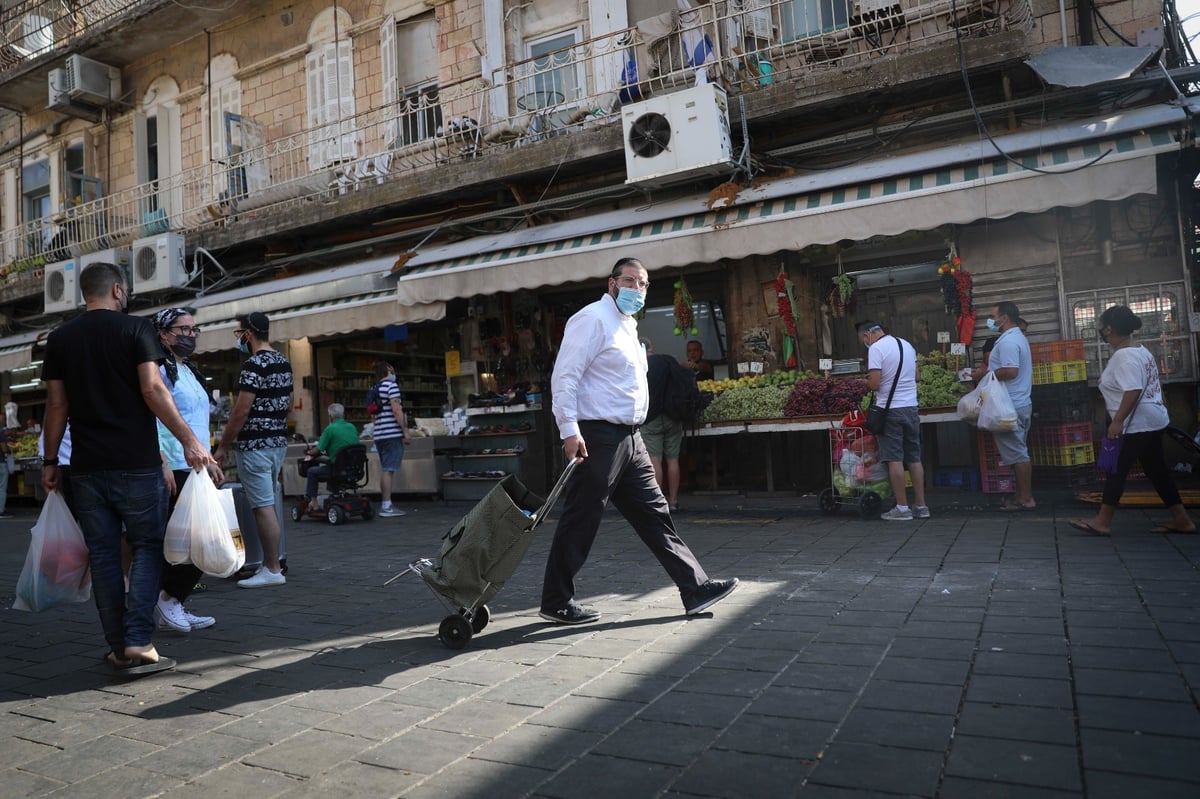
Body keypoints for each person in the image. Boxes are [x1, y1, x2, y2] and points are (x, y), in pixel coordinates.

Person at [540, 257, 738, 625]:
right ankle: (556, 600)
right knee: (582, 517)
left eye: (643, 284)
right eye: (629, 281)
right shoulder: (591, 320)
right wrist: (569, 429)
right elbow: (565, 377)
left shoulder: (627, 326)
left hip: (632, 438)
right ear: (611, 283)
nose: (636, 289)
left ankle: (694, 588)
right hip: (597, 435)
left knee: (655, 513)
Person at [40, 262, 216, 675]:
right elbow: (153, 389)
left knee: (103, 557)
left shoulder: (60, 339)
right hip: (136, 465)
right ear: (118, 290)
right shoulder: (137, 330)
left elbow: (56, 405)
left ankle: (119, 647)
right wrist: (191, 441)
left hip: (84, 467)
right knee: (147, 548)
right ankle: (138, 640)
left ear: (85, 293)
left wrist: (49, 462)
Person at [1070, 305, 1195, 536]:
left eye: (1101, 326)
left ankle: (1102, 521)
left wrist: (1117, 421)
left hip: (1136, 423)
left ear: (1108, 329)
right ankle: (1182, 519)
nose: (1100, 330)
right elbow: (1153, 385)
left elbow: (1133, 390)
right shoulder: (1140, 350)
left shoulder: (1124, 356)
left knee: (1117, 470)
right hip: (1152, 419)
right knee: (1157, 470)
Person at [152, 308, 218, 633]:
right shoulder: (159, 371)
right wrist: (161, 459)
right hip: (175, 466)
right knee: (184, 541)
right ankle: (167, 600)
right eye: (183, 329)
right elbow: (152, 418)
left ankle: (174, 601)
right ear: (164, 334)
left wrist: (211, 459)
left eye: (194, 329)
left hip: (197, 466)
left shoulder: (188, 370)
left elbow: (198, 423)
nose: (190, 335)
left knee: (198, 540)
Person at [215, 312, 293, 588]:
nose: (239, 339)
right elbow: (288, 402)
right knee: (268, 502)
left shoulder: (253, 365)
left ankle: (272, 568)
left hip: (255, 445)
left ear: (248, 334)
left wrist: (223, 445)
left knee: (262, 506)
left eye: (239, 334)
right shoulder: (283, 362)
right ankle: (272, 563)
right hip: (276, 443)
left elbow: (241, 410)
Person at [858, 321, 929, 521]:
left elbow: (874, 384)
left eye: (864, 339)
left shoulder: (876, 349)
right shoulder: (907, 345)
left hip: (891, 411)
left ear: (868, 335)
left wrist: (864, 381)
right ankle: (921, 506)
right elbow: (916, 376)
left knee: (894, 459)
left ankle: (902, 508)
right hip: (911, 408)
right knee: (914, 458)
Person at [972, 301, 1035, 511]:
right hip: (1018, 403)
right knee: (1018, 451)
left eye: (993, 316)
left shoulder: (1009, 342)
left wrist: (985, 374)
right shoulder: (1017, 338)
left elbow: (1010, 371)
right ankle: (1020, 496)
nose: (990, 320)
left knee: (1018, 453)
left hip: (1010, 406)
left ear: (1004, 318)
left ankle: (1026, 498)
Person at [641, 339, 685, 512]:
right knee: (673, 460)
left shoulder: (640, 365)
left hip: (651, 419)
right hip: (673, 416)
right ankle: (673, 501)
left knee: (655, 460)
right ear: (652, 348)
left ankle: (658, 504)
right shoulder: (668, 361)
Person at [370, 360, 412, 518]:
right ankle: (386, 506)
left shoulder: (374, 388)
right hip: (392, 434)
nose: (394, 373)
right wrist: (405, 430)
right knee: (389, 470)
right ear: (387, 370)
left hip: (380, 434)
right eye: (392, 370)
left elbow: (372, 415)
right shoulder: (391, 386)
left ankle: (386, 503)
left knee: (386, 469)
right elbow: (396, 409)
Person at [303, 403, 360, 512]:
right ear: (343, 415)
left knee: (311, 471)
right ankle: (336, 493)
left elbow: (318, 450)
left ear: (330, 416)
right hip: (353, 469)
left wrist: (309, 452)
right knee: (331, 464)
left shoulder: (330, 429)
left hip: (338, 469)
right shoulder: (352, 427)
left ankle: (314, 503)